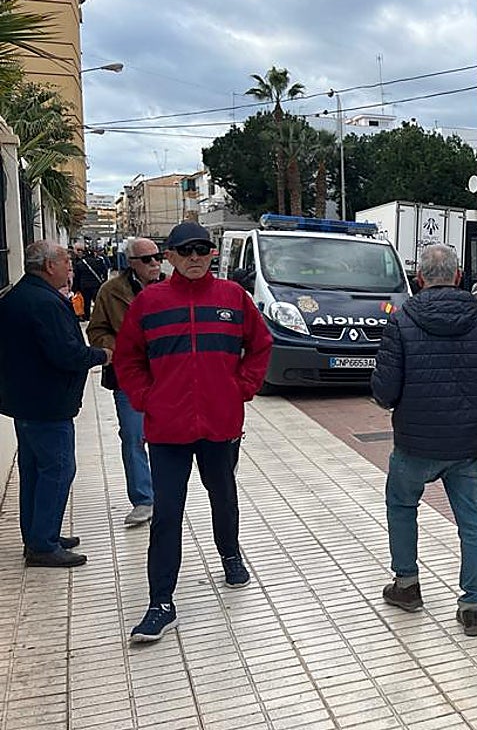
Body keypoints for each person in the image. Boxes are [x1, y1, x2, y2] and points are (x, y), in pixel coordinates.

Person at [114, 222, 273, 643]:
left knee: (223, 495)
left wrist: (242, 387)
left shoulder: (233, 298)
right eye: (186, 250)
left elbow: (260, 345)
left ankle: (230, 554)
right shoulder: (149, 303)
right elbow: (127, 359)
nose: (195, 257)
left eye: (203, 249)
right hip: (168, 430)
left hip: (219, 425)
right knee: (167, 513)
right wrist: (147, 397)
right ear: (170, 256)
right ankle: (160, 603)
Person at [371, 244, 477, 637]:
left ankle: (407, 586)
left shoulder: (400, 322)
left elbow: (384, 391)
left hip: (415, 444)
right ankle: (472, 607)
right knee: (473, 521)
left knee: (401, 506)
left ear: (419, 279)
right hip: (468, 446)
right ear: (458, 275)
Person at [0, 241, 110, 567]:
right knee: (58, 468)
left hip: (26, 400)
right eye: (66, 263)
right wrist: (103, 355)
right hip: (46, 403)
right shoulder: (44, 303)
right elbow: (66, 354)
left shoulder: (20, 295)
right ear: (50, 266)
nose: (70, 269)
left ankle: (38, 535)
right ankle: (43, 545)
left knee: (35, 470)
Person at [87, 237, 165, 527]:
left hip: (167, 376)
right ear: (131, 263)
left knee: (166, 436)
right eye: (147, 259)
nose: (155, 263)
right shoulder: (111, 291)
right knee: (133, 436)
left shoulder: (172, 287)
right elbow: (96, 330)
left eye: (157, 257)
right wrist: (122, 350)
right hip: (129, 378)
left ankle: (165, 493)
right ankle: (143, 499)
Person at [72, 246, 108, 321]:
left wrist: (76, 288)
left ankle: (87, 316)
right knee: (98, 302)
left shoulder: (80, 263)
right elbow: (104, 271)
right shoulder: (99, 262)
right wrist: (104, 282)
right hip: (96, 285)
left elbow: (77, 277)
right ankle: (100, 316)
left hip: (84, 286)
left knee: (86, 302)